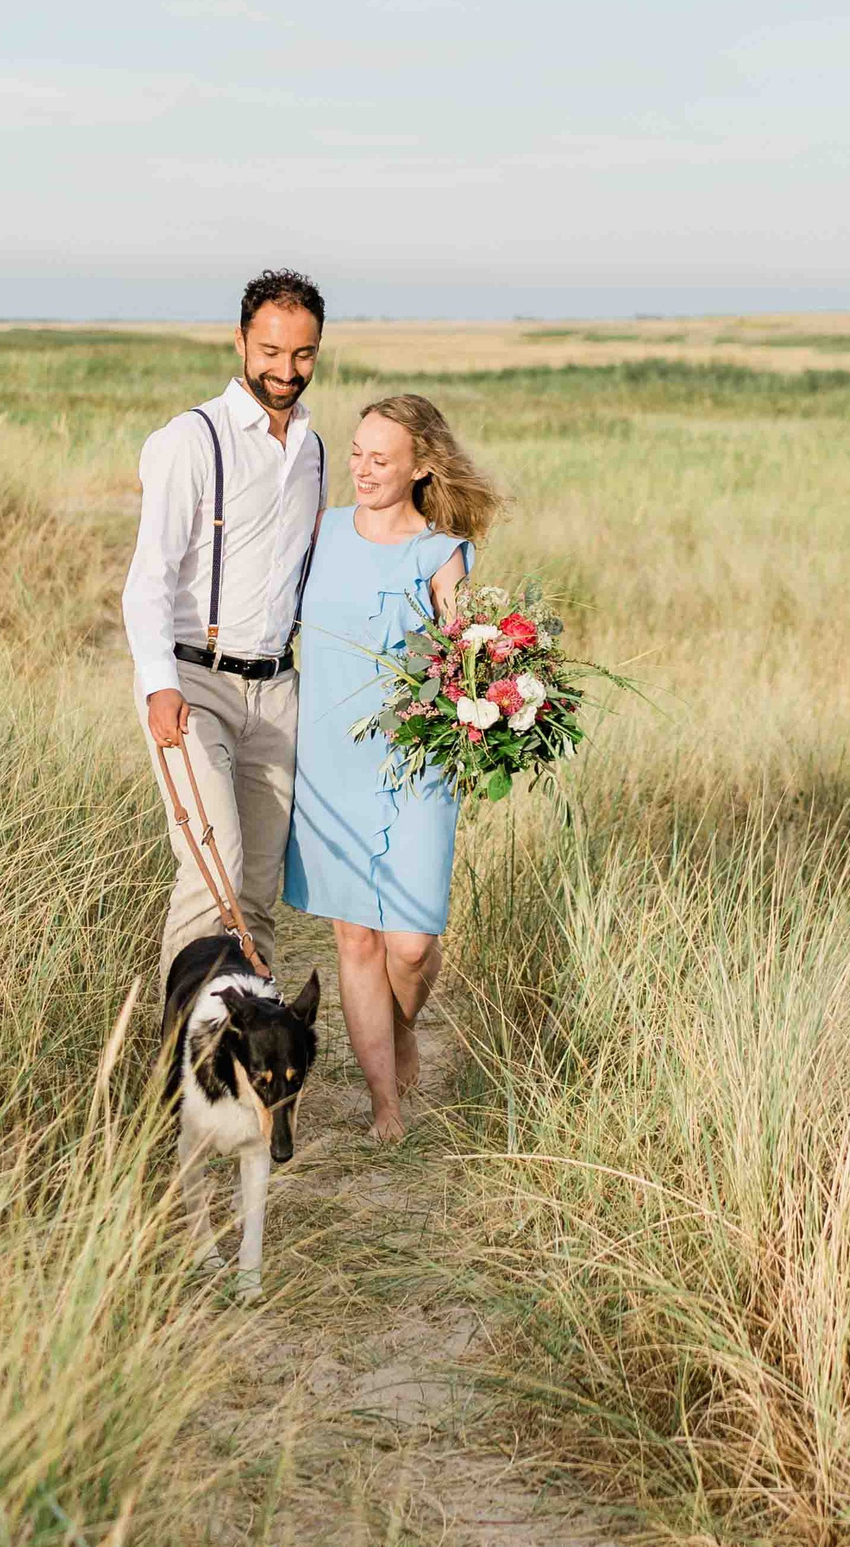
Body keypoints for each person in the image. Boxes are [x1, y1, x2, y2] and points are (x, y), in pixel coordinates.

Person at [284, 394, 506, 1141]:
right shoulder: (321, 532)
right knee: (356, 939)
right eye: (357, 453)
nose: (363, 469)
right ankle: (385, 1105)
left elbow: (467, 656)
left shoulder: (439, 553)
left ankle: (401, 1028)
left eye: (381, 459)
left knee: (409, 945)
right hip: (331, 757)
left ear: (420, 467)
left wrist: (497, 701)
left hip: (417, 761)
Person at [123, 270, 329, 977]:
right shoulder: (192, 438)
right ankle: (177, 1044)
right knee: (214, 877)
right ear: (240, 341)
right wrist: (159, 685)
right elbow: (148, 577)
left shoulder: (313, 450)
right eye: (270, 351)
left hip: (276, 692)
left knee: (258, 893)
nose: (286, 370)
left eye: (302, 353)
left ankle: (249, 1036)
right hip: (193, 685)